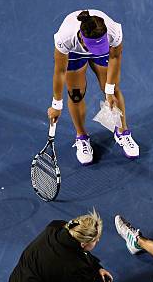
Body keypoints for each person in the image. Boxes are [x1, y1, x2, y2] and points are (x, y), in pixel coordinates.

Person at [47, 9, 139, 165]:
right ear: (82, 39)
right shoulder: (65, 38)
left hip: (103, 54)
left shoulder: (114, 32)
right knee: (75, 94)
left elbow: (115, 57)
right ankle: (82, 136)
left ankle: (122, 132)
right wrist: (56, 105)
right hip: (74, 53)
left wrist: (109, 92)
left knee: (114, 90)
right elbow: (60, 71)